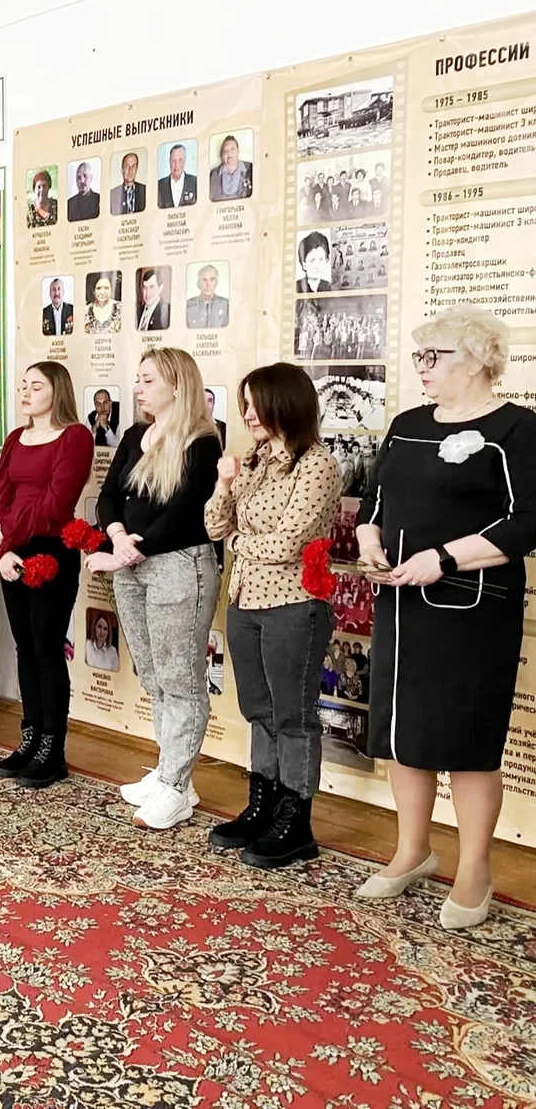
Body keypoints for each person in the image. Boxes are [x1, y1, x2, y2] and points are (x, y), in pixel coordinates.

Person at [353, 305, 536, 929]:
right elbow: (375, 499)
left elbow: (527, 521)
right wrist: (369, 538)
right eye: (420, 356)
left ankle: (475, 870)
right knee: (403, 733)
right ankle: (413, 851)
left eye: (436, 357)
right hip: (399, 604)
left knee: (467, 742)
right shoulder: (407, 424)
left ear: (479, 360)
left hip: (473, 614)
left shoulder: (517, 429)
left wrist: (446, 557)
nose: (423, 368)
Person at [204, 363, 341, 869]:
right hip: (245, 601)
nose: (247, 414)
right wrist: (224, 484)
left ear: (284, 403)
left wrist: (239, 541)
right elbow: (214, 526)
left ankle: (295, 820)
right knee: (258, 710)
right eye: (244, 405)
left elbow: (288, 544)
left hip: (294, 605)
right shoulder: (255, 460)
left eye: (255, 404)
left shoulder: (317, 465)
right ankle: (262, 804)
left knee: (293, 716)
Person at [89, 347, 222, 830]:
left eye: (148, 380)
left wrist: (126, 552)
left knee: (180, 678)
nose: (138, 388)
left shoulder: (203, 441)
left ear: (177, 385)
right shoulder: (134, 434)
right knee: (152, 675)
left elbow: (185, 512)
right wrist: (118, 537)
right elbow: (108, 495)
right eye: (138, 379)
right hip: (132, 565)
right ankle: (172, 773)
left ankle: (175, 785)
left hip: (179, 566)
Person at [0, 361, 94, 784]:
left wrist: (5, 535)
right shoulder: (15, 438)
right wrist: (2, 548)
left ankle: (53, 748)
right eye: (23, 385)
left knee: (47, 649)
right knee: (25, 648)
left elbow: (55, 502)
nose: (25, 392)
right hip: (12, 550)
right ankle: (29, 737)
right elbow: (1, 495)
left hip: (50, 549)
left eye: (36, 386)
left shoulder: (75, 437)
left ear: (57, 392)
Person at [209, 134, 253, 201]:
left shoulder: (251, 169)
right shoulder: (212, 175)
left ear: (238, 151)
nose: (229, 153)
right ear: (221, 155)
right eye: (225, 150)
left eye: (232, 149)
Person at [186, 264, 229, 329]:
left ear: (216, 283)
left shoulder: (227, 305)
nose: (208, 284)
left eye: (212, 279)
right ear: (198, 284)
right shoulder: (187, 305)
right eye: (204, 280)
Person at [157, 144, 198, 208]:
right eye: (173, 161)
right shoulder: (159, 185)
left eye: (180, 160)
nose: (177, 165)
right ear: (169, 161)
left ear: (185, 160)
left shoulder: (195, 182)